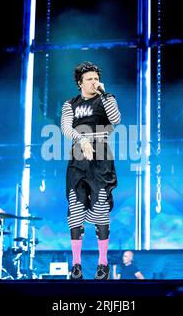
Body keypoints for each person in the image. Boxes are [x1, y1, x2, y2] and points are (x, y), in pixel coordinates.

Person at [61, 61, 121, 280]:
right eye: (90, 79)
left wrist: (106, 95)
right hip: (78, 156)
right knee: (76, 208)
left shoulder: (107, 98)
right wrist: (82, 140)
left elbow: (116, 120)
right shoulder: (70, 104)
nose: (94, 82)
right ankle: (76, 265)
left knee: (100, 209)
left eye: (96, 78)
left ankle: (102, 264)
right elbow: (66, 127)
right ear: (80, 83)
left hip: (102, 156)